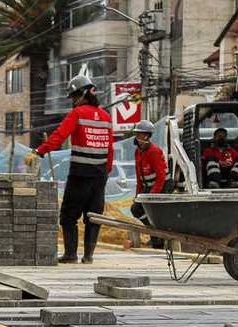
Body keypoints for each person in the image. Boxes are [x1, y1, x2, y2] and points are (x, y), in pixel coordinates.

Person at [24, 75, 113, 264]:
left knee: (68, 215)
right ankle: (88, 256)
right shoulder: (105, 117)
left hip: (81, 173)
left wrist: (39, 152)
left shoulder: (78, 114)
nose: (73, 101)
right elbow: (110, 148)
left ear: (82, 94)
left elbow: (59, 135)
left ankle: (71, 255)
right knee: (94, 216)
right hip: (100, 174)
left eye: (74, 96)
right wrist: (106, 171)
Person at [130, 120, 167, 248]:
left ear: (147, 136)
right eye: (137, 135)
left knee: (153, 212)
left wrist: (152, 195)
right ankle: (154, 232)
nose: (138, 138)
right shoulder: (137, 152)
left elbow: (161, 177)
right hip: (148, 187)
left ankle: (158, 239)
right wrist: (138, 195)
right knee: (136, 208)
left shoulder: (154, 151)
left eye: (140, 135)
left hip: (162, 187)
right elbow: (139, 177)